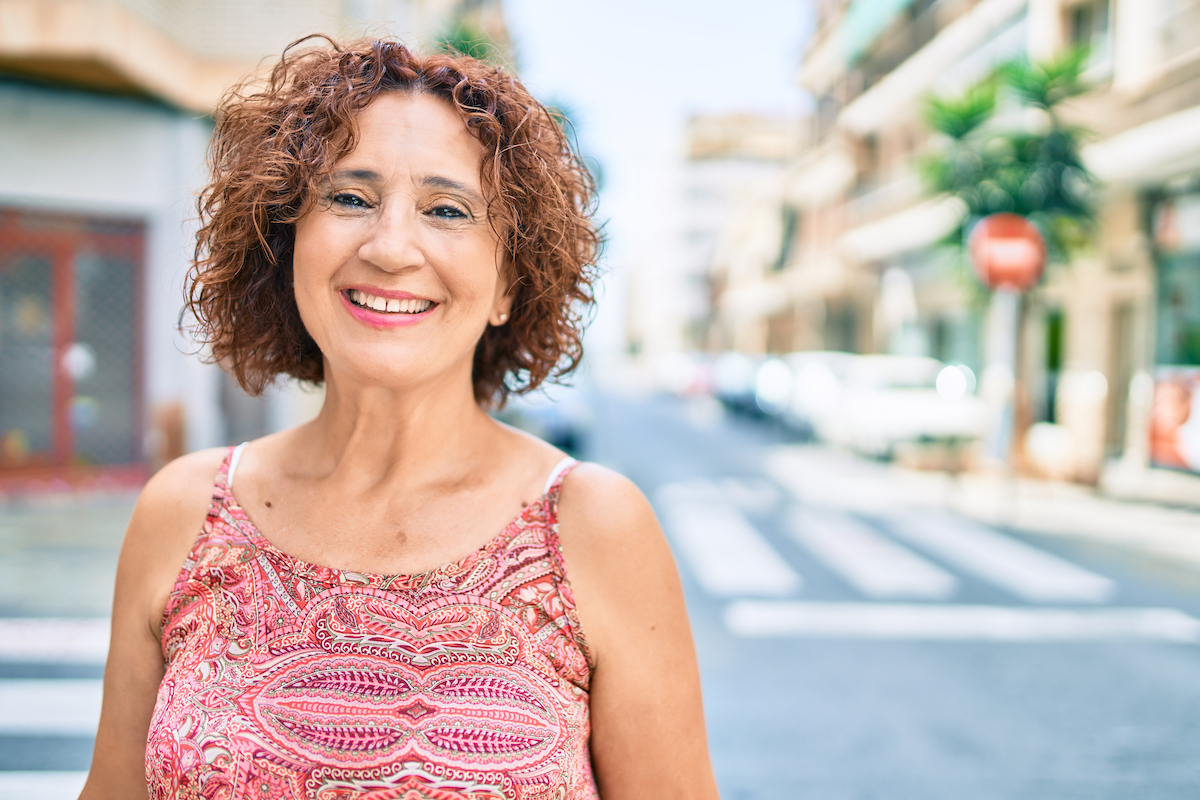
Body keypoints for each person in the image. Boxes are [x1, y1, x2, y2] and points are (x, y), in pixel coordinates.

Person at [81, 37, 718, 799]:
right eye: (350, 198)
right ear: (287, 244)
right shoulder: (183, 513)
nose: (390, 247)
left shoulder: (594, 527)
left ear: (510, 282)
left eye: (447, 210)